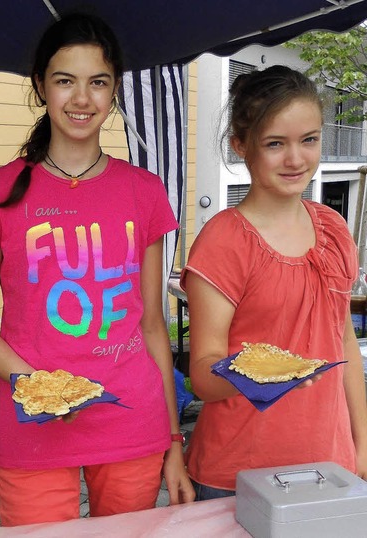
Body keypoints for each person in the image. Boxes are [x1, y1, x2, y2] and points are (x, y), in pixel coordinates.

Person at [0, 12, 194, 527]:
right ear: (41, 86)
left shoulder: (144, 191)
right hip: (34, 425)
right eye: (66, 81)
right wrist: (40, 387)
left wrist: (174, 441)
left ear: (114, 92)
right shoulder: (0, 189)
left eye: (98, 82)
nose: (82, 99)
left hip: (132, 421)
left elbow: (152, 325)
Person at [181, 65, 367, 500]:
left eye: (309, 140)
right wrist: (259, 376)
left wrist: (362, 444)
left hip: (329, 465)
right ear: (240, 146)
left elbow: (343, 345)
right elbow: (203, 377)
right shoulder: (224, 240)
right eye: (275, 144)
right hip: (236, 474)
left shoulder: (335, 229)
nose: (296, 159)